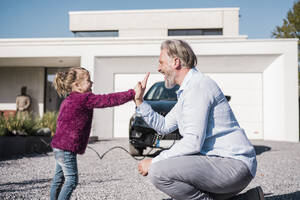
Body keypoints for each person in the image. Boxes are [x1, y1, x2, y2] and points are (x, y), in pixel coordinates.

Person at [134, 40, 264, 200]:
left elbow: (192, 142)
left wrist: (154, 161)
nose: (159, 68)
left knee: (158, 172)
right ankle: (249, 198)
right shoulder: (188, 89)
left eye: (161, 62)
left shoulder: (198, 87)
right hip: (222, 164)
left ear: (176, 62)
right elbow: (164, 126)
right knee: (167, 167)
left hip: (233, 165)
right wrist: (140, 101)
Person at [49, 67, 144, 200]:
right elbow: (109, 99)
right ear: (77, 85)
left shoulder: (69, 100)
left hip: (58, 146)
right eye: (88, 80)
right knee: (71, 180)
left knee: (58, 180)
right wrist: (132, 93)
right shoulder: (83, 98)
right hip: (66, 149)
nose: (92, 83)